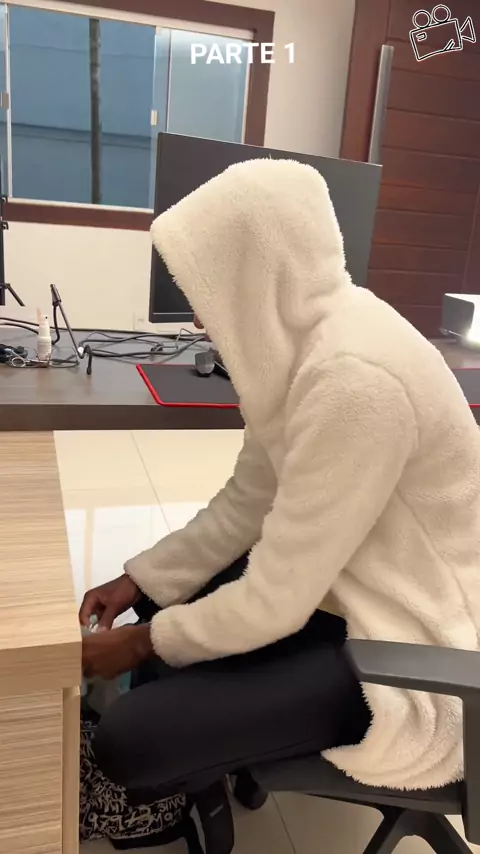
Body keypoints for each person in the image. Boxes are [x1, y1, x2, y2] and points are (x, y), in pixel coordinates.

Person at [81, 158, 480, 796]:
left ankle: (205, 755)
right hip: (349, 582)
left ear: (253, 274)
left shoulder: (355, 381)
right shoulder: (306, 352)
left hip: (416, 642)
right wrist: (140, 579)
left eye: (204, 289)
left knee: (130, 742)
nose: (198, 319)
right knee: (162, 599)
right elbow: (247, 501)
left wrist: (140, 644)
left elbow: (276, 600)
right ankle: (221, 736)